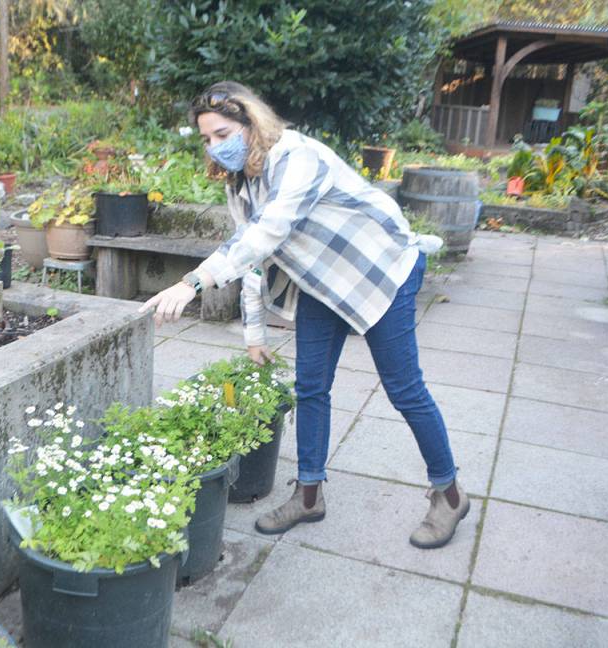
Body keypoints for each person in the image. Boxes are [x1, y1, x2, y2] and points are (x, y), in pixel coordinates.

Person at [140, 81, 468, 549]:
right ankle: (309, 494)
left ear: (252, 124)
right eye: (206, 139)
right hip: (325, 282)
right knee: (310, 387)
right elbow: (254, 258)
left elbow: (268, 233)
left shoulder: (298, 158)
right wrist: (255, 335)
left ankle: (449, 494)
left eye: (222, 133)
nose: (215, 147)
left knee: (404, 388)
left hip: (381, 270)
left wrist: (193, 281)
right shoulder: (243, 185)